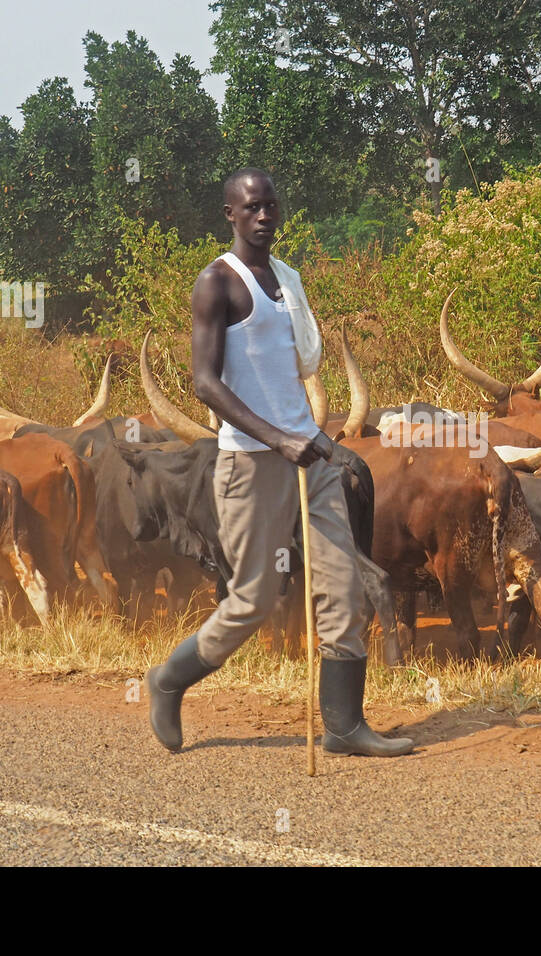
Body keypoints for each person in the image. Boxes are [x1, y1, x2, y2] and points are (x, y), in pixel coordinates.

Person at [146, 167, 413, 758]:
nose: (264, 216)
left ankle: (344, 726)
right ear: (230, 216)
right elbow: (205, 384)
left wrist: (307, 439)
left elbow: (301, 365)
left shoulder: (288, 279)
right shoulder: (217, 283)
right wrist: (275, 438)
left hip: (310, 455)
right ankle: (167, 681)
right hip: (249, 463)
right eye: (251, 208)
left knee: (342, 587)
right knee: (253, 600)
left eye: (271, 205)